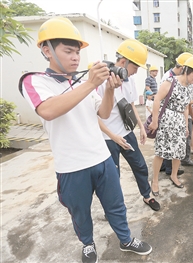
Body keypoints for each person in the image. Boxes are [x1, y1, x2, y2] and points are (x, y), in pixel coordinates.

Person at [19, 17, 152, 263]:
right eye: (68, 51)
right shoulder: (34, 81)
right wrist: (91, 83)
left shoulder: (80, 82)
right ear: (46, 50)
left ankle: (125, 239)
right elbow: (48, 110)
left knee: (116, 205)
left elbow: (102, 112)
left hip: (101, 158)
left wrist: (109, 89)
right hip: (71, 166)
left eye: (77, 52)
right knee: (80, 213)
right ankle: (88, 244)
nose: (75, 57)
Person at [97, 39, 160, 212]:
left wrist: (140, 127)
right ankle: (112, 208)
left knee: (140, 165)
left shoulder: (129, 80)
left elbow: (131, 105)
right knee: (112, 176)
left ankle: (147, 195)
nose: (136, 72)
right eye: (135, 67)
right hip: (107, 138)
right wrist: (112, 136)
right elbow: (94, 116)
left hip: (125, 132)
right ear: (124, 62)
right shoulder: (102, 81)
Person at [148, 56, 193, 195]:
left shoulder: (190, 88)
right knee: (161, 151)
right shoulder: (170, 82)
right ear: (186, 71)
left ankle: (174, 175)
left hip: (179, 121)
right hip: (166, 119)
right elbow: (157, 100)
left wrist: (185, 125)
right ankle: (154, 181)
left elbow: (185, 107)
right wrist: (155, 121)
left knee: (178, 152)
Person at [159, 52, 193, 174]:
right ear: (183, 68)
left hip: (175, 117)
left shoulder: (181, 81)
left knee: (173, 145)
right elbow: (160, 99)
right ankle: (169, 169)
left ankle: (169, 168)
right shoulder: (168, 78)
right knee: (168, 145)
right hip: (167, 116)